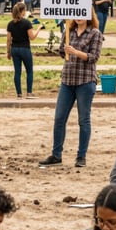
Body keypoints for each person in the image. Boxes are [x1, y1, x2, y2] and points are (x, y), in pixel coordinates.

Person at [39, 12, 103, 168]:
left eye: (82, 13)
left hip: (85, 81)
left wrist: (75, 52)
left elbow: (94, 57)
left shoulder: (95, 33)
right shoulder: (68, 31)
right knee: (59, 118)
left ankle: (81, 156)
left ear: (89, 15)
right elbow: (62, 52)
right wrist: (64, 48)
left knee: (83, 120)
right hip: (67, 80)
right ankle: (56, 155)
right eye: (76, 13)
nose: (79, 16)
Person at [6, 2, 42, 99]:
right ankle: (29, 93)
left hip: (14, 49)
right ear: (22, 11)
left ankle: (19, 93)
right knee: (29, 71)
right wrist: (38, 29)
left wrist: (8, 51)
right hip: (25, 48)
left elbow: (8, 39)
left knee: (17, 72)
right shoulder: (26, 23)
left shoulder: (10, 24)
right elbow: (32, 37)